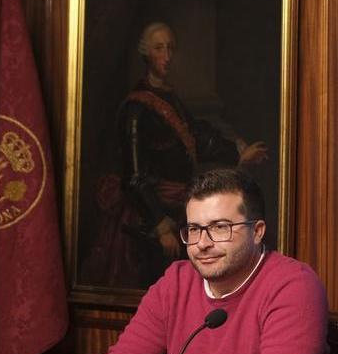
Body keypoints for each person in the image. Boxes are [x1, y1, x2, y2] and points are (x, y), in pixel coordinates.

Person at [80, 168, 331, 354]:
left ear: (257, 231)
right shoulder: (175, 282)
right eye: (194, 229)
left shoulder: (294, 285)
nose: (202, 243)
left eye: (220, 227)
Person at [83, 21, 269, 288]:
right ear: (146, 54)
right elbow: (134, 178)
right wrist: (160, 225)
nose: (167, 56)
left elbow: (197, 138)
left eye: (170, 48)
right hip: (150, 213)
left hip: (179, 208)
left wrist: (238, 152)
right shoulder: (136, 109)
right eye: (159, 48)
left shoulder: (170, 98)